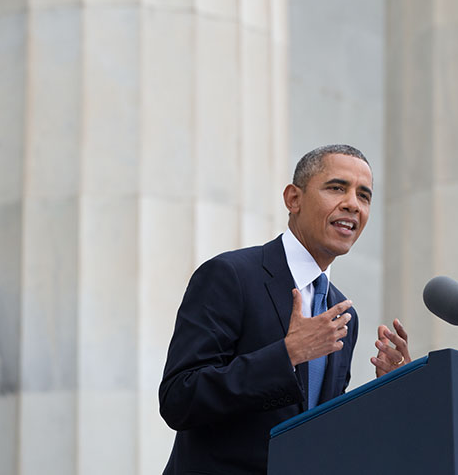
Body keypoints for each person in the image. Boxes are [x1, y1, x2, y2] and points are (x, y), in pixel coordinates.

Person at [159, 144, 411, 474]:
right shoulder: (231, 276)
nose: (353, 204)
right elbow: (180, 398)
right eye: (337, 188)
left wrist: (386, 391)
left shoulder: (342, 312)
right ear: (294, 199)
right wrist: (286, 354)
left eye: (364, 196)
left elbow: (324, 433)